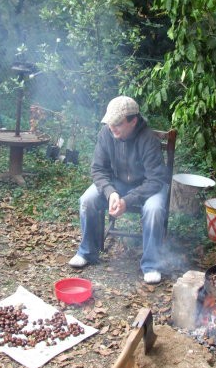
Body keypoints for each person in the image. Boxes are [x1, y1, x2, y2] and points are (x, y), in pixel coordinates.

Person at [69, 96, 169, 284]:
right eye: (109, 122)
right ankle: (87, 252)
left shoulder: (148, 139)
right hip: (116, 184)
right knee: (87, 200)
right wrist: (111, 192)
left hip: (147, 187)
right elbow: (98, 169)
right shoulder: (106, 134)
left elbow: (156, 179)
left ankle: (151, 265)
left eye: (117, 123)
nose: (111, 127)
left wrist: (128, 200)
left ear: (133, 121)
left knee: (154, 209)